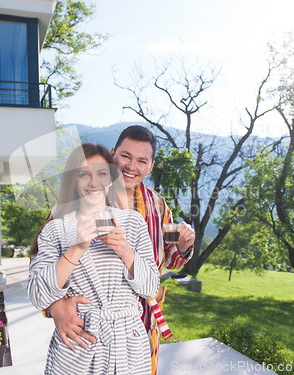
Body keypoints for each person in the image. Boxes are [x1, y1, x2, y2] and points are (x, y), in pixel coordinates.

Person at [45, 126, 196, 375]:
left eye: (141, 161)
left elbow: (168, 258)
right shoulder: (81, 196)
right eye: (125, 156)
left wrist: (181, 247)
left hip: (142, 322)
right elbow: (41, 259)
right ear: (113, 153)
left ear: (151, 165)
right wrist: (54, 307)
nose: (131, 166)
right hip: (90, 326)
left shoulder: (158, 206)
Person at [28, 143, 159, 375]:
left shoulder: (133, 223)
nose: (93, 182)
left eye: (101, 173)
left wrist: (125, 251)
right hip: (78, 347)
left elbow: (150, 289)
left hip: (129, 347)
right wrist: (76, 248)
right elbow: (38, 296)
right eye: (83, 174)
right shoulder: (55, 231)